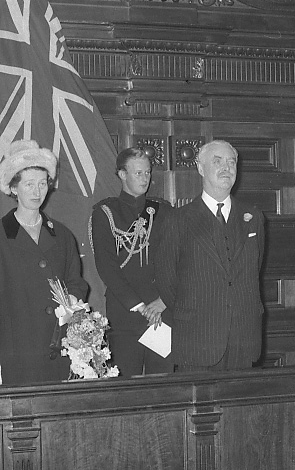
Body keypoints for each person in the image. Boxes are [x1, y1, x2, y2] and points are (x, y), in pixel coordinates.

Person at [155, 140, 265, 371]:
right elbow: (167, 281)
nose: (226, 167)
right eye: (218, 162)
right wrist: (198, 313)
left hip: (242, 340)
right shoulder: (177, 220)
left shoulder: (252, 217)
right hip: (197, 340)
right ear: (201, 168)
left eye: (231, 162)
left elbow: (254, 268)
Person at [0, 140, 88, 385]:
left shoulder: (61, 234)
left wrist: (71, 301)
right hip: (16, 351)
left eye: (42, 184)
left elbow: (76, 282)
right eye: (29, 184)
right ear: (13, 188)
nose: (37, 192)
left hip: (59, 346)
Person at [89, 147, 174, 376]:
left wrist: (163, 301)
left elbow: (177, 261)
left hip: (161, 312)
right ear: (122, 174)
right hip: (125, 312)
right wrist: (139, 306)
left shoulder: (163, 212)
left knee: (164, 384)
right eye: (138, 173)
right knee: (126, 385)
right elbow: (107, 268)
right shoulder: (105, 213)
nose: (145, 178)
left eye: (147, 172)